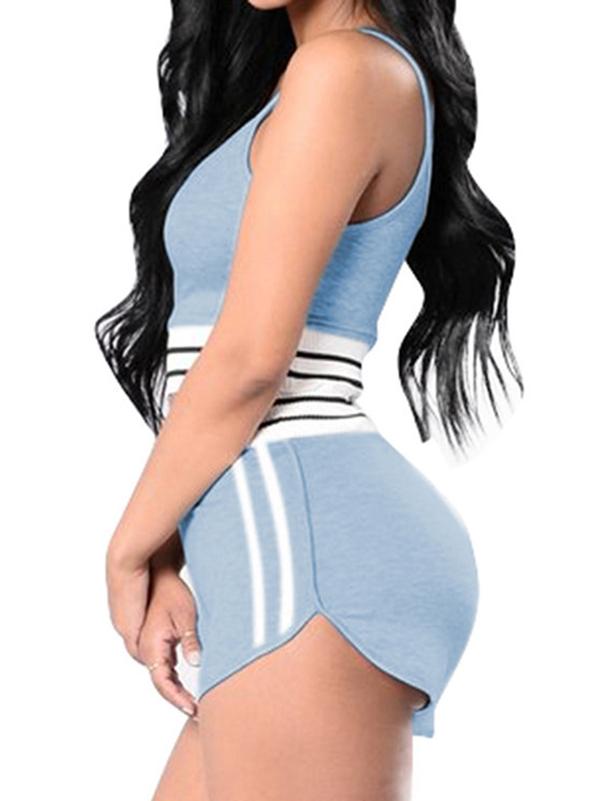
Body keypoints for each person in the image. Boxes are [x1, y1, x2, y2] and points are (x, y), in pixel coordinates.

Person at [95, 1, 523, 798]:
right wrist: (171, 544)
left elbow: (250, 362)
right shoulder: (304, 77)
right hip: (281, 541)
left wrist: (129, 549)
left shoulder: (347, 69)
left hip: (308, 554)